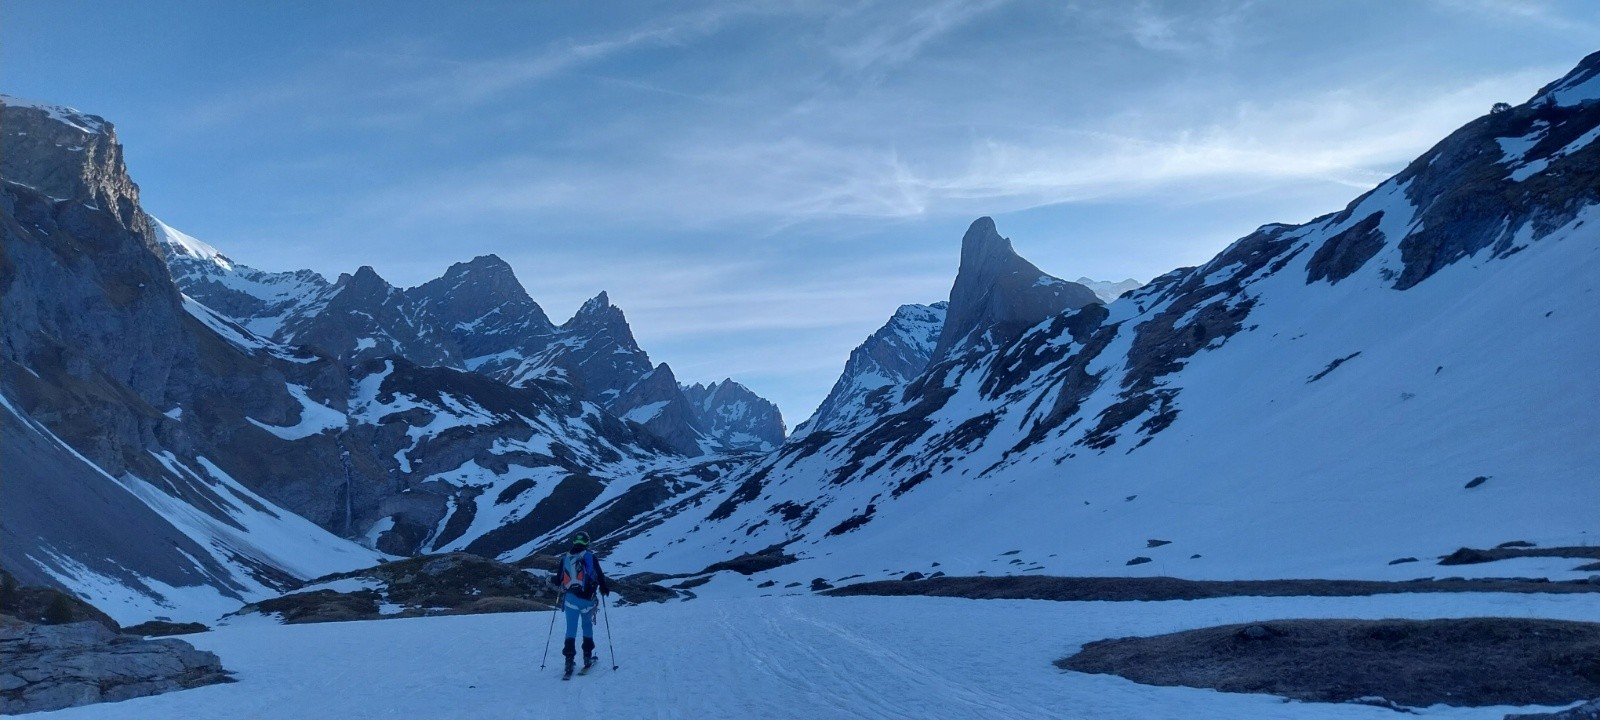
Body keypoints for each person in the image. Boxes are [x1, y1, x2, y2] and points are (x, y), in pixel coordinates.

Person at [552, 532, 610, 675]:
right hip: (587, 600)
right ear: (587, 542)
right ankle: (587, 656)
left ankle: (569, 660)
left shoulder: (565, 557)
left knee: (571, 629)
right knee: (586, 626)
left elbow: (559, 579)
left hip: (570, 599)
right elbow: (600, 576)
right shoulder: (591, 556)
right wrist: (603, 588)